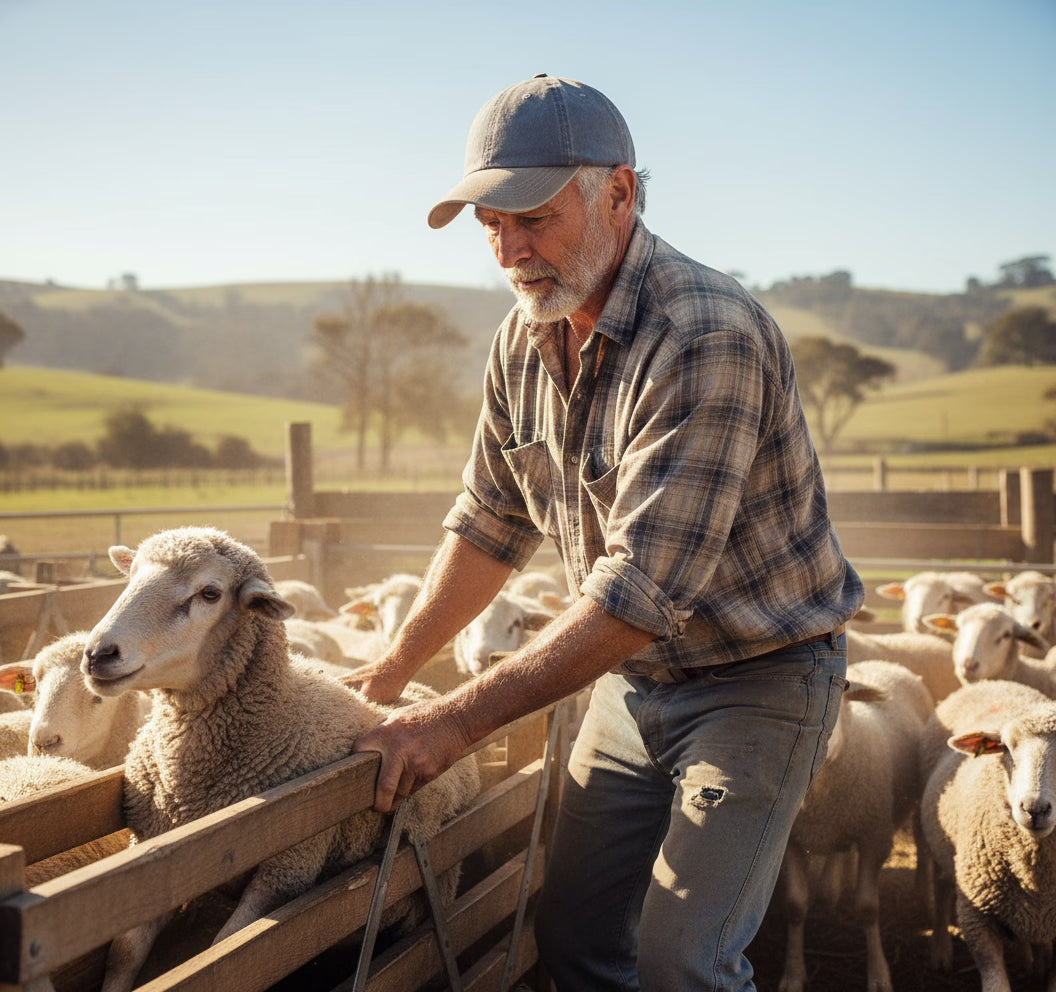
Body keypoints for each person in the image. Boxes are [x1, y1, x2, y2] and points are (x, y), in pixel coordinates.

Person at [351, 73, 865, 991]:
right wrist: (390, 675)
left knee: (682, 959)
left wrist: (456, 720)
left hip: (758, 679)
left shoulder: (706, 334)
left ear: (620, 192)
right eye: (490, 226)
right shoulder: (524, 338)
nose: (510, 250)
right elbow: (490, 522)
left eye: (534, 217)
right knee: (577, 930)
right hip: (632, 686)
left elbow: (641, 593)